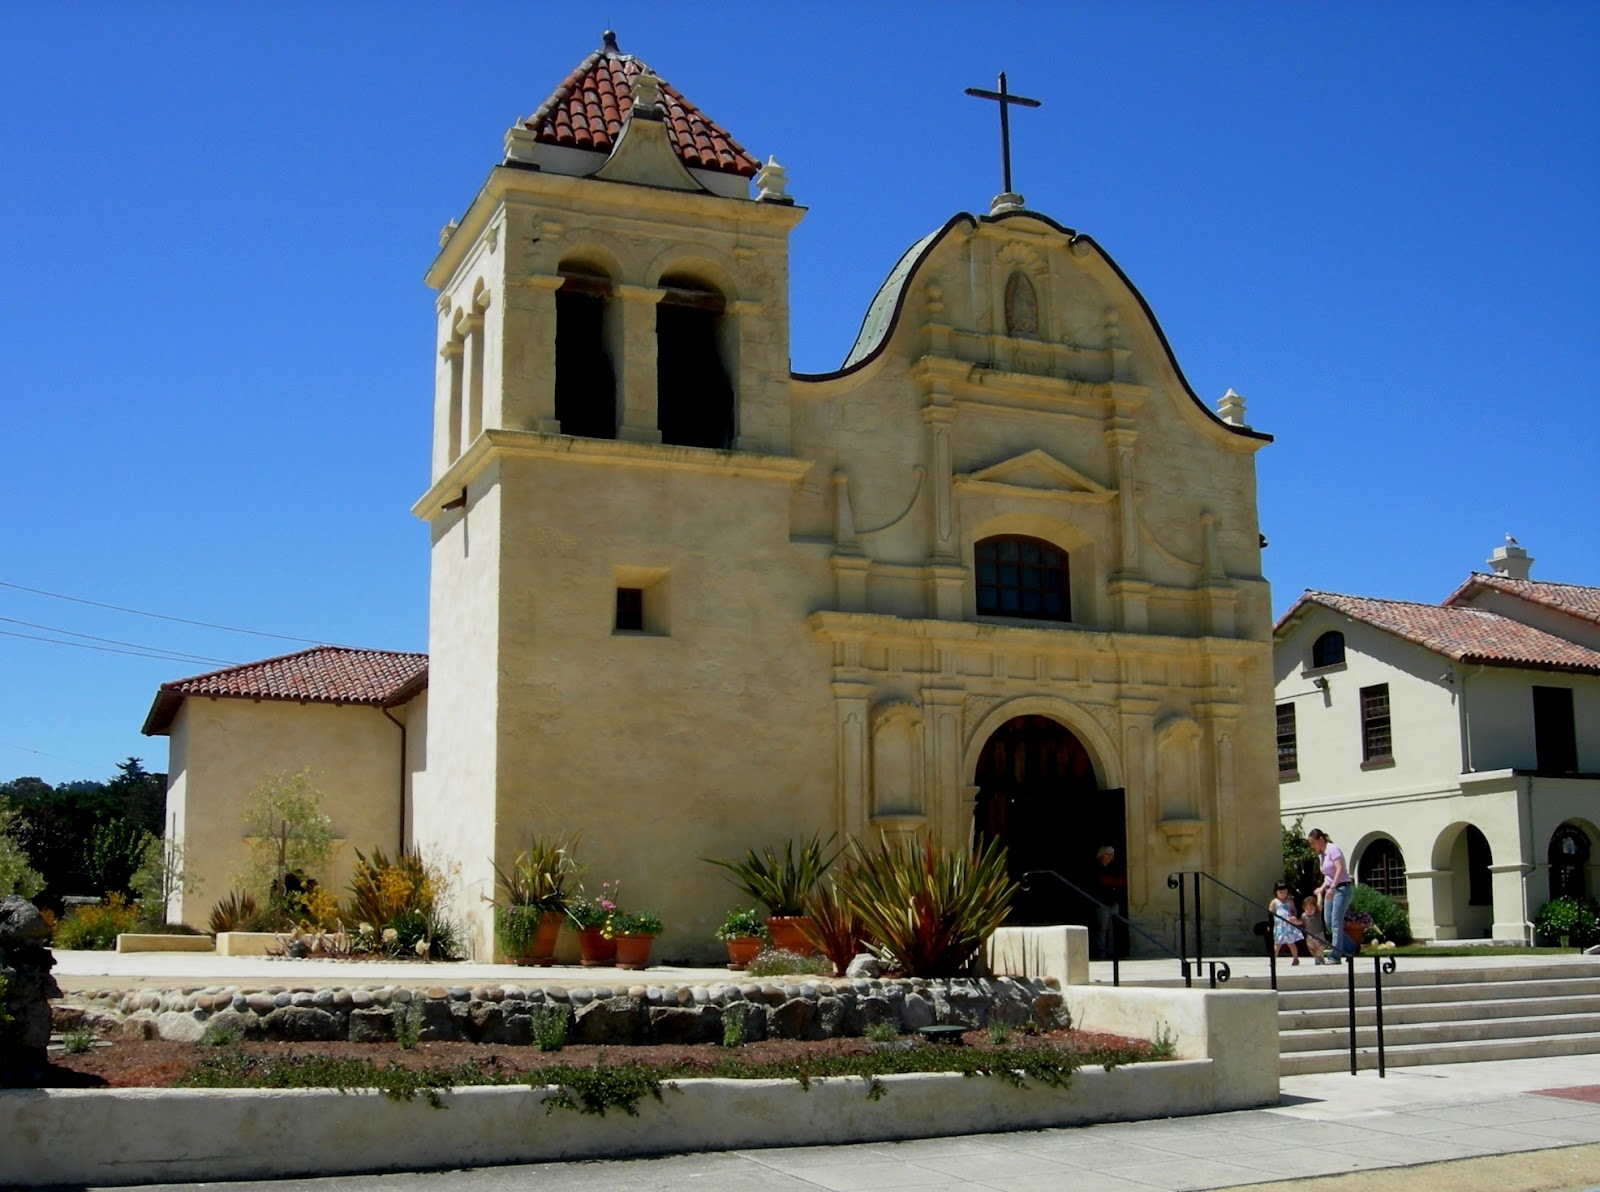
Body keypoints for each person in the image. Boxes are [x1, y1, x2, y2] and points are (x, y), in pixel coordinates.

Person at [1307, 828, 1356, 961]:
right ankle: (1350, 947)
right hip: (1330, 889)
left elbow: (1340, 869)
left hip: (1341, 889)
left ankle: (1335, 956)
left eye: (1313, 843)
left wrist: (1333, 887)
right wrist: (1322, 888)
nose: (1312, 846)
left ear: (1321, 840)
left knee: (1335, 922)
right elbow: (1328, 875)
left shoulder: (1333, 849)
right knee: (1328, 922)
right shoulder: (1321, 855)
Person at [1092, 845, 1125, 959]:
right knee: (1102, 929)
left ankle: (1111, 952)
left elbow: (1121, 881)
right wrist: (1114, 881)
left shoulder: (1113, 868)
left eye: (1111, 855)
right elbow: (1103, 881)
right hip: (1102, 903)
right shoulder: (1096, 868)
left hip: (1113, 902)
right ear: (1101, 855)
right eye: (1107, 854)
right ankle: (1102, 953)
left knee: (1112, 929)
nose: (1109, 857)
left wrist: (1114, 882)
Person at [1269, 882, 1304, 964]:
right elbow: (1270, 912)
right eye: (1280, 892)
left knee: (1291, 943)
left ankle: (1295, 958)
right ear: (1276, 892)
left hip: (1288, 924)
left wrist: (1294, 916)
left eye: (1285, 892)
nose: (1283, 894)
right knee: (1277, 944)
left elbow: (1294, 910)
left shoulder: (1289, 901)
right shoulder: (1274, 902)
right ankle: (1273, 960)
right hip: (1279, 925)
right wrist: (1270, 923)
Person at [1301, 893, 1328, 963]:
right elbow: (1300, 922)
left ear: (1315, 907)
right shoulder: (1304, 915)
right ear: (1304, 908)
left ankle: (1320, 959)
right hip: (1309, 936)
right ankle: (1317, 958)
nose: (1309, 910)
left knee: (1319, 948)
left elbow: (1319, 904)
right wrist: (1293, 921)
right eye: (1307, 908)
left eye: (1311, 908)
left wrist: (1319, 894)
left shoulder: (1317, 913)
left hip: (1319, 934)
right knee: (1312, 949)